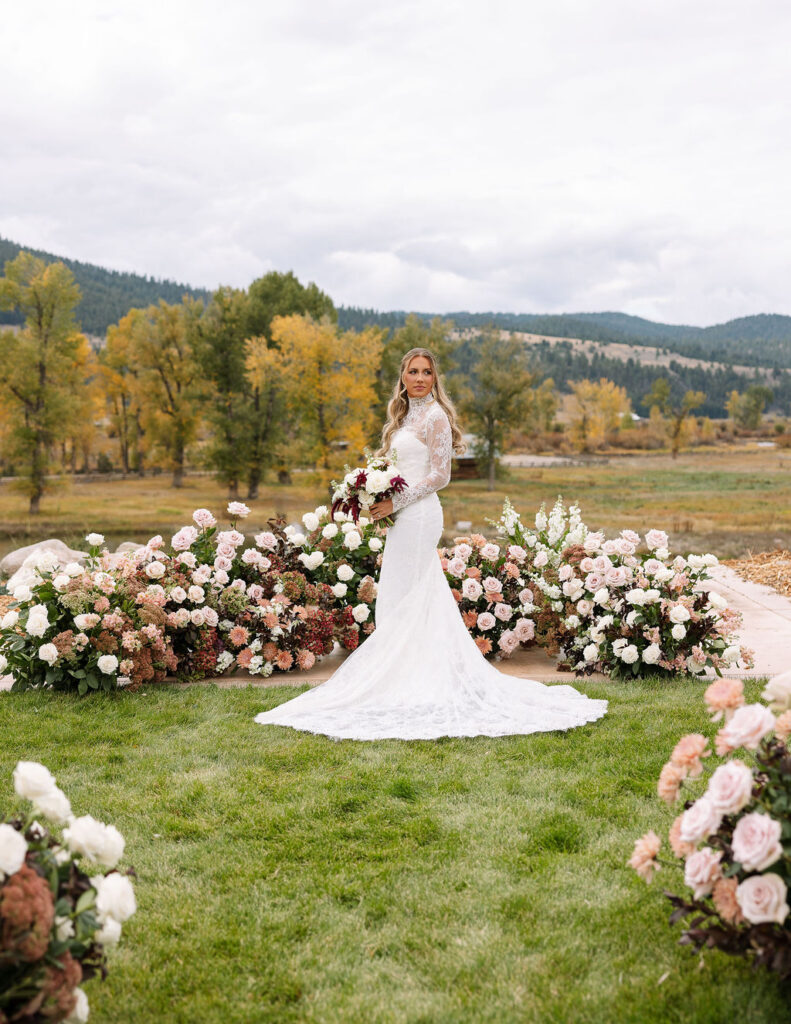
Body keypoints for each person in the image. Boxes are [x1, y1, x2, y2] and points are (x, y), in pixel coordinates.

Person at [254, 348, 607, 740]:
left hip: (420, 516)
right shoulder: (404, 416)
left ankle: (417, 679)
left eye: (427, 372)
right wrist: (373, 491)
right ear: (402, 377)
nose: (420, 378)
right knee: (402, 593)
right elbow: (397, 469)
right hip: (403, 516)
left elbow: (440, 476)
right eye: (413, 371)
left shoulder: (436, 416)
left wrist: (394, 500)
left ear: (435, 378)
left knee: (412, 592)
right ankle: (403, 677)